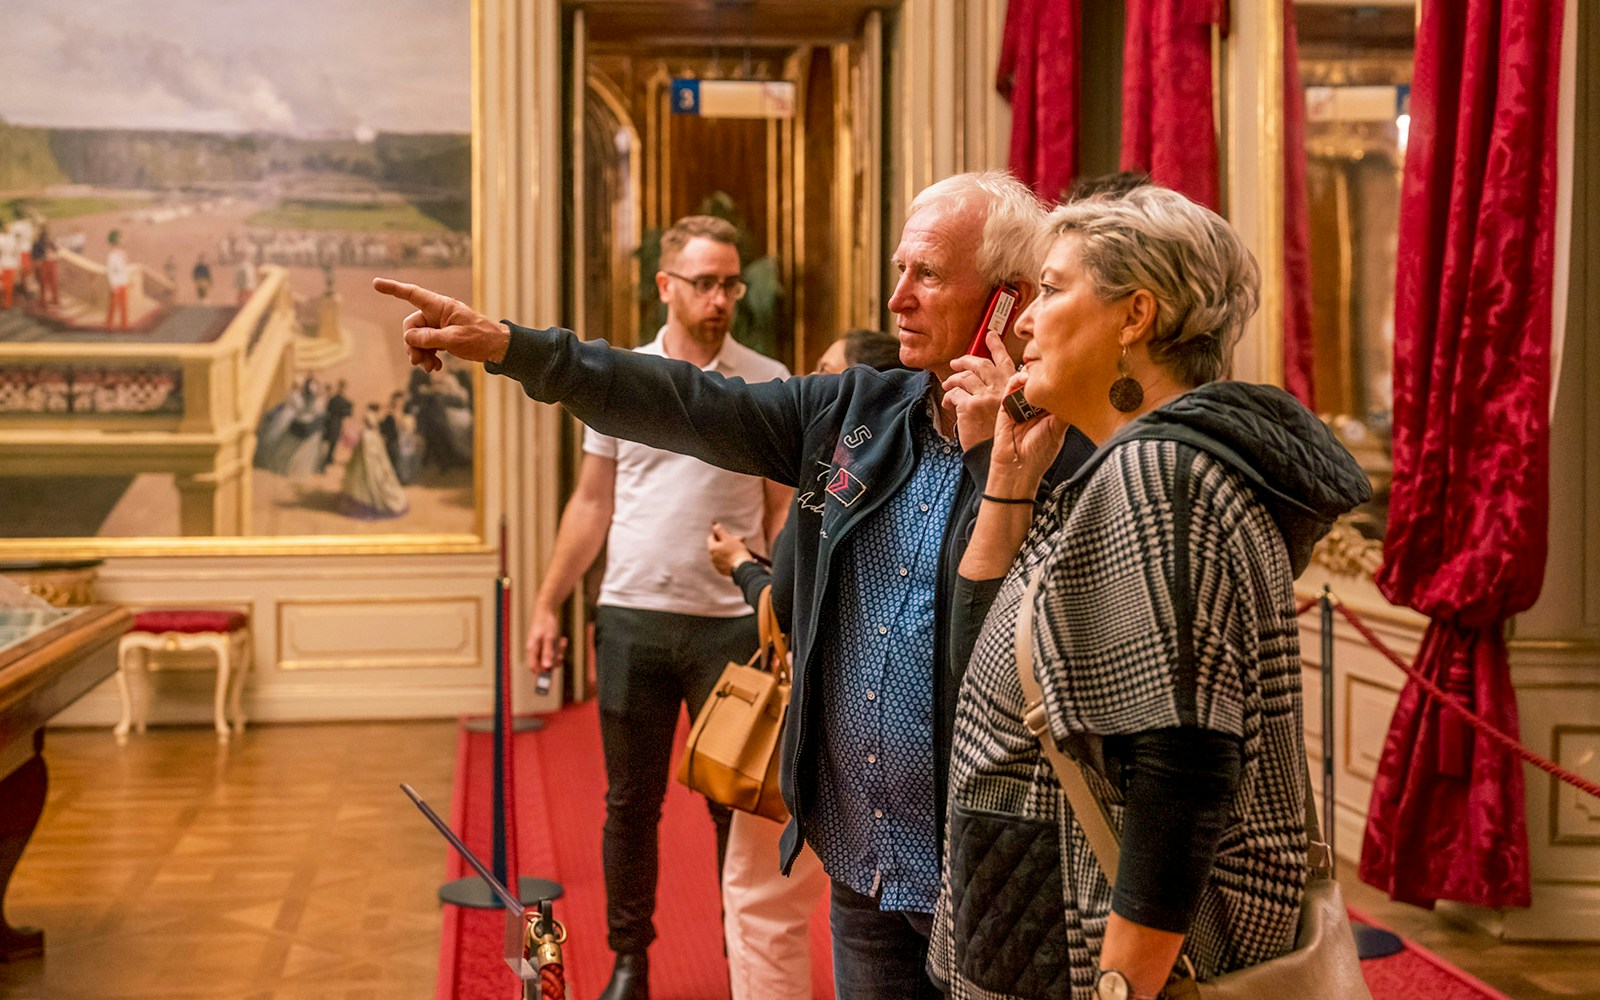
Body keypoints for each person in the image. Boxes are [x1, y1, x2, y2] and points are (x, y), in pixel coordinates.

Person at [374, 170, 1095, 997]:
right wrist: (511, 347)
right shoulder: (855, 409)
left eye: (926, 274)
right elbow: (686, 402)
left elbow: (1035, 629)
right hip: (863, 859)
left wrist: (988, 456)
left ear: (1006, 300)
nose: (897, 299)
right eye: (900, 270)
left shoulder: (1061, 447)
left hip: (985, 867)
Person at [926, 186, 1371, 1000]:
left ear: (1136, 317)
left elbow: (1182, 771)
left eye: (1054, 289)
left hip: (1090, 951)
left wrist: (1124, 988)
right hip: (1037, 920)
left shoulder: (1160, 478)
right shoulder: (1124, 468)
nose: (1023, 319)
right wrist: (1010, 483)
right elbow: (981, 680)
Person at [496, 215, 796, 1000]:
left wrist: (783, 605)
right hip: (631, 613)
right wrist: (546, 604)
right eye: (705, 282)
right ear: (666, 286)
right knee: (630, 804)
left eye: (731, 282)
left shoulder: (765, 376)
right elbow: (592, 504)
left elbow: (781, 510)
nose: (722, 297)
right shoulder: (620, 377)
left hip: (730, 625)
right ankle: (630, 961)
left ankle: (744, 962)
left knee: (738, 810)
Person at [704, 328, 903, 1000]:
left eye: (826, 373)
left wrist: (740, 569)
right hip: (898, 730)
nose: (811, 387)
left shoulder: (829, 474)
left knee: (763, 902)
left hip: (815, 717)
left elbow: (789, 606)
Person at [338, 402, 410, 519]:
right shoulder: (372, 433)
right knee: (369, 476)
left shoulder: (368, 434)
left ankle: (369, 499)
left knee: (372, 476)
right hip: (367, 456)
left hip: (369, 456)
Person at [105, 230, 130, 329]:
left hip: (123, 281)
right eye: (120, 238)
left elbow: (124, 267)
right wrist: (113, 284)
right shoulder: (111, 256)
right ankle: (109, 325)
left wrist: (127, 279)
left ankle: (124, 325)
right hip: (116, 283)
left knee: (124, 305)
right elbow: (111, 271)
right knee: (114, 305)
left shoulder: (122, 253)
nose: (122, 240)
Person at [33, 225, 60, 308]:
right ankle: (54, 301)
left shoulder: (38, 242)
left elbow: (35, 256)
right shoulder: (49, 241)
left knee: (44, 283)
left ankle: (44, 301)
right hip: (51, 261)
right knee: (52, 283)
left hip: (44, 263)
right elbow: (56, 250)